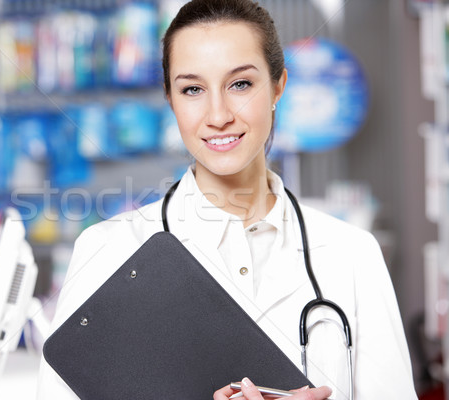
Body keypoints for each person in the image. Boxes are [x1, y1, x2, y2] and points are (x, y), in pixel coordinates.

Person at [36, 0, 417, 399]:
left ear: (278, 86)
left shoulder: (352, 254)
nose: (218, 115)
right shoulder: (108, 251)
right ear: (170, 99)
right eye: (193, 89)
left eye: (240, 84)